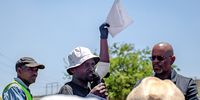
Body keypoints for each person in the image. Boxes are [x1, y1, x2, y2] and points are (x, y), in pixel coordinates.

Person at [58, 23, 110, 99]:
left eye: (92, 64)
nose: (91, 68)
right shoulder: (68, 89)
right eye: (86, 64)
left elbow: (104, 66)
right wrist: (91, 97)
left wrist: (103, 38)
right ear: (73, 70)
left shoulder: (91, 88)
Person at [134, 42, 199, 100]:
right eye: (153, 58)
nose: (155, 61)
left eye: (160, 58)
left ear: (172, 60)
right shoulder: (142, 84)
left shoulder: (187, 84)